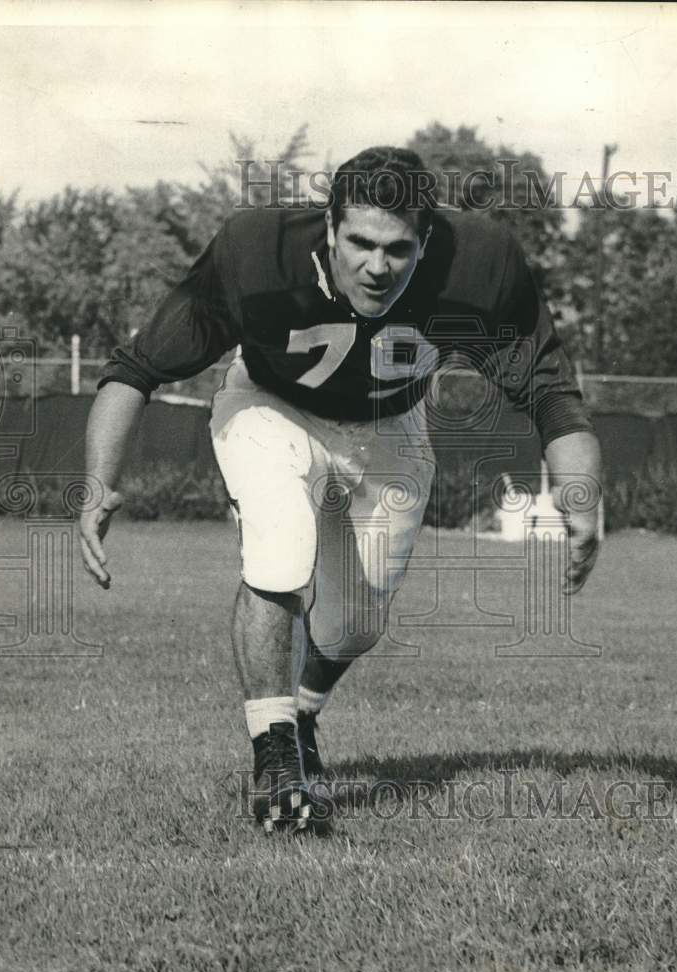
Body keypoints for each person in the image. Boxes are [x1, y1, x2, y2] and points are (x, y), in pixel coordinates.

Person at [80, 146, 601, 834]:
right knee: (280, 550)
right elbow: (137, 367)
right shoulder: (256, 250)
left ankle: (301, 715)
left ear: (428, 241)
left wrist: (581, 499)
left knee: (355, 625)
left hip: (390, 425)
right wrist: (96, 488)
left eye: (398, 248)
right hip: (271, 403)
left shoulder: (481, 264)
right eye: (359, 242)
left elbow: (552, 395)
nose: (377, 266)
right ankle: (276, 763)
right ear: (329, 229)